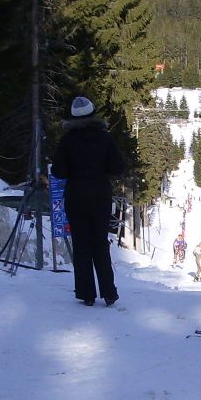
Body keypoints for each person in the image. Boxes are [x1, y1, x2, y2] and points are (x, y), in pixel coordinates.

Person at [49, 96, 126, 307]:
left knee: (81, 244)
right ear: (93, 113)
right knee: (100, 243)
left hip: (75, 196)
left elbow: (58, 171)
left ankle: (86, 293)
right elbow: (118, 167)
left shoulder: (68, 140)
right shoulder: (105, 138)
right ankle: (109, 293)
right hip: (100, 196)